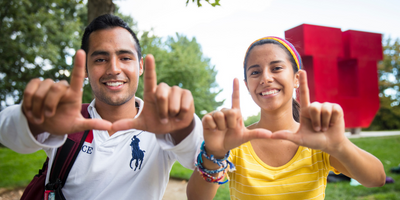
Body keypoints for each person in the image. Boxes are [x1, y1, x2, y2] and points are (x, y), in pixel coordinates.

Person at [0, 14, 203, 200]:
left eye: (125, 58)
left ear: (140, 66)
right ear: (86, 69)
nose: (114, 69)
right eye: (100, 59)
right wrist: (33, 121)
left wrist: (182, 128)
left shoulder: (162, 124)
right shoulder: (65, 120)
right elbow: (5, 130)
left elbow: (198, 156)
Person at [186, 36, 386, 199]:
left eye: (276, 68)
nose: (266, 78)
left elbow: (376, 179)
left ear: (296, 78)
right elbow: (196, 198)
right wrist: (215, 152)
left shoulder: (318, 141)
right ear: (247, 86)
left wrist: (339, 145)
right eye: (255, 72)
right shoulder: (236, 142)